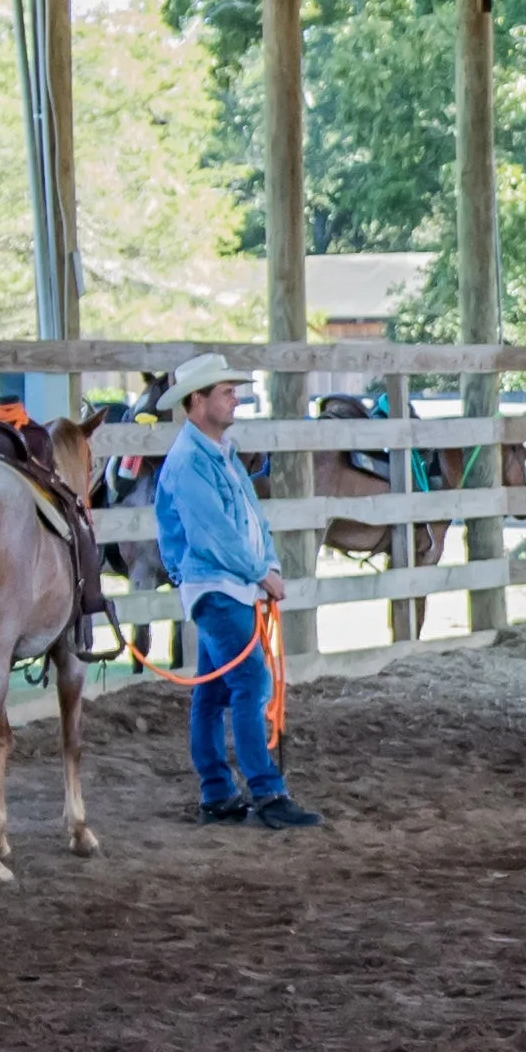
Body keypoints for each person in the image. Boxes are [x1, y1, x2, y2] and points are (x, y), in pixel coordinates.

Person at [151, 352, 320, 831]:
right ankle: (267, 791)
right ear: (196, 400)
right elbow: (214, 536)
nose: (235, 398)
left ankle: (219, 794)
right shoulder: (191, 462)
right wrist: (261, 572)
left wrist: (264, 563)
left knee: (213, 692)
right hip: (219, 587)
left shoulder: (218, 454)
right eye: (225, 391)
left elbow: (250, 519)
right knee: (251, 682)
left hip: (227, 586)